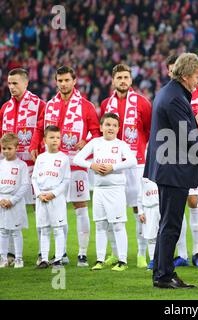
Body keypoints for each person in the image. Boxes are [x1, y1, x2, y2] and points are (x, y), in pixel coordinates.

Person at [144, 53, 198, 289]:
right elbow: (188, 138)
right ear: (185, 75)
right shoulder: (175, 98)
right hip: (173, 169)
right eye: (197, 77)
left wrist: (194, 120)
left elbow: (180, 128)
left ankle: (161, 272)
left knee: (167, 223)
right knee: (171, 224)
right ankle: (164, 275)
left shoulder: (169, 92)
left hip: (168, 167)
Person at [30, 66, 101, 267]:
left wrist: (86, 141)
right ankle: (58, 253)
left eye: (67, 80)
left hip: (76, 164)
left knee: (80, 207)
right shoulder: (49, 105)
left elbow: (96, 133)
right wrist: (35, 144)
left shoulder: (86, 106)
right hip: (53, 165)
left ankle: (82, 253)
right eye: (60, 80)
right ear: (56, 82)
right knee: (55, 208)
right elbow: (38, 128)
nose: (63, 84)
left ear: (74, 80)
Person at [100, 64, 152, 269]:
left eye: (126, 77)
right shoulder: (106, 104)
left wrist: (136, 150)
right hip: (114, 166)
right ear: (113, 80)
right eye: (119, 77)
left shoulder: (143, 103)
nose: (122, 80)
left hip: (136, 164)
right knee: (113, 210)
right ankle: (115, 253)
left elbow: (148, 131)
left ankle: (141, 254)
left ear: (131, 80)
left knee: (139, 209)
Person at [73, 113, 137, 271]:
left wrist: (113, 167)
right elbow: (77, 158)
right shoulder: (95, 142)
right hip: (99, 190)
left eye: (114, 125)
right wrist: (92, 165)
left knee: (118, 225)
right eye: (107, 125)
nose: (111, 128)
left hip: (116, 190)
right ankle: (100, 260)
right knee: (100, 225)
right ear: (101, 127)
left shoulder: (121, 144)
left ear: (118, 129)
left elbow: (132, 161)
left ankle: (122, 261)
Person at [0, 68, 46, 265]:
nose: (11, 87)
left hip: (33, 165)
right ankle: (10, 254)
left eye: (15, 83)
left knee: (39, 208)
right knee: (8, 206)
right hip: (11, 166)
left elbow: (43, 129)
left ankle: (42, 253)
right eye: (9, 83)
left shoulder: (39, 105)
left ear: (26, 83)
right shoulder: (5, 108)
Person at [166, 55, 198, 268]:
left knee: (191, 205)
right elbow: (184, 134)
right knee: (173, 218)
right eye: (197, 76)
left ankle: (196, 252)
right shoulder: (175, 97)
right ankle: (174, 261)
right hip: (177, 162)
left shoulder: (185, 94)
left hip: (186, 159)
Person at [32, 126, 71, 269]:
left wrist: (53, 193)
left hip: (56, 199)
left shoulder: (64, 158)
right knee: (44, 229)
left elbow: (66, 180)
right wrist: (38, 194)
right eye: (52, 137)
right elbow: (34, 178)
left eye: (58, 138)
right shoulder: (41, 158)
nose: (55, 140)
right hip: (41, 198)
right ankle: (44, 258)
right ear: (44, 140)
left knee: (58, 228)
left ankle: (58, 258)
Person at [0, 133, 30, 268]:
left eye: (9, 148)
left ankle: (18, 258)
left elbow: (25, 185)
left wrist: (12, 200)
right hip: (1, 201)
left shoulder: (21, 165)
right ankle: (3, 258)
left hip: (15, 202)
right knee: (3, 231)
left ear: (16, 148)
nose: (6, 151)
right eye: (4, 148)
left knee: (16, 232)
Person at [137, 177, 160, 270]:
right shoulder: (143, 179)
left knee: (164, 236)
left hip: (161, 207)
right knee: (151, 237)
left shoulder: (163, 175)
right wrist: (140, 211)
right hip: (148, 209)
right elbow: (139, 197)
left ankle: (164, 260)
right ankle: (152, 260)